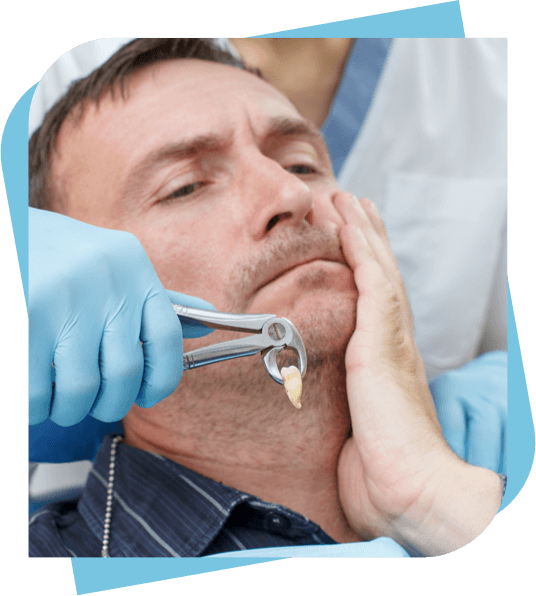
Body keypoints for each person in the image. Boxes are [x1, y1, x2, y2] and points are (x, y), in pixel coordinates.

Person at [28, 38, 505, 558]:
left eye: (302, 165)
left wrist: (433, 499)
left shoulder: (484, 469)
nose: (290, 195)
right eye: (185, 186)